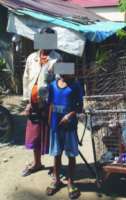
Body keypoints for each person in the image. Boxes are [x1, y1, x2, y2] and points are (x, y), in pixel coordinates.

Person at [21, 27, 62, 177]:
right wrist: (26, 101)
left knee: (53, 135)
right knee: (34, 135)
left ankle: (56, 167)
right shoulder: (31, 57)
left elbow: (60, 82)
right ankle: (37, 163)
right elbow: (26, 79)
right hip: (33, 104)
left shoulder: (58, 58)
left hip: (49, 105)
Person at [46, 73, 83, 199]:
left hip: (70, 127)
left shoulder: (76, 86)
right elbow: (50, 104)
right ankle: (56, 180)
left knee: (71, 155)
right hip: (56, 127)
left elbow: (80, 107)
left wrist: (69, 115)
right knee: (57, 154)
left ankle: (70, 182)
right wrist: (49, 123)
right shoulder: (52, 86)